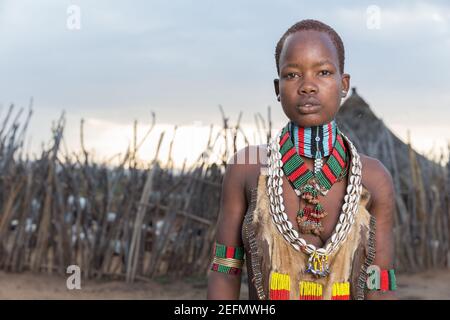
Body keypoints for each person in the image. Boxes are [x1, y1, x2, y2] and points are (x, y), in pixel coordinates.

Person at [207, 19, 397, 300]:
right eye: (293, 75)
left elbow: (379, 283)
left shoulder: (373, 178)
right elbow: (225, 269)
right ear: (277, 88)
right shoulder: (247, 169)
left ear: (343, 84)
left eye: (323, 72)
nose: (308, 86)